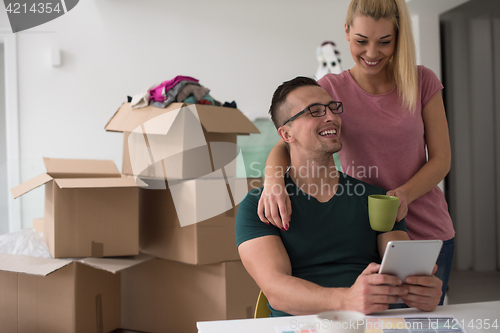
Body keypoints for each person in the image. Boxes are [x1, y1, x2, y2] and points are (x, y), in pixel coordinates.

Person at [257, 0, 454, 306]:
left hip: (423, 228)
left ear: (398, 38)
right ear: (346, 32)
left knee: (420, 322)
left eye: (384, 42)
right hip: (364, 232)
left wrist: (403, 195)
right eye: (361, 41)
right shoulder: (331, 89)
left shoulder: (422, 80)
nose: (372, 53)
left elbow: (442, 159)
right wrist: (272, 184)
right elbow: (287, 140)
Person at [235, 77, 442, 317]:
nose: (331, 116)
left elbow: (404, 274)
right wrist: (346, 300)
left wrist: (421, 291)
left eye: (333, 108)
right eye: (314, 111)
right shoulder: (259, 206)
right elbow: (276, 291)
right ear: (286, 134)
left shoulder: (377, 199)